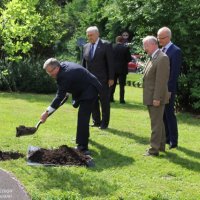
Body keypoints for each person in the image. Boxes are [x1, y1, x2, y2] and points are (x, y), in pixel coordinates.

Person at [40, 58, 102, 155]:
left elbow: (59, 96)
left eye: (50, 72)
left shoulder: (64, 75)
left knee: (83, 117)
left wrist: (47, 112)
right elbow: (70, 83)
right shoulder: (62, 66)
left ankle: (82, 147)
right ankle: (83, 137)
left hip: (90, 89)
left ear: (56, 68)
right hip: (84, 87)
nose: (49, 75)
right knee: (83, 117)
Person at [82, 26, 114, 129]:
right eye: (88, 35)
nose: (89, 37)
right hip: (89, 80)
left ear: (97, 34)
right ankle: (96, 121)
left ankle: (104, 123)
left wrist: (111, 78)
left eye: (91, 35)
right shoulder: (85, 46)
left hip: (103, 79)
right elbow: (83, 64)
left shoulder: (106, 45)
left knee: (104, 102)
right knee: (92, 101)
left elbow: (111, 63)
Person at [142, 36, 170, 156]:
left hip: (156, 97)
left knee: (156, 124)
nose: (144, 48)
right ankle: (161, 146)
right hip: (151, 96)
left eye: (145, 46)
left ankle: (153, 150)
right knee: (159, 122)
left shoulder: (162, 58)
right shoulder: (153, 57)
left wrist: (157, 98)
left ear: (153, 44)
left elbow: (161, 81)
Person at [157, 27, 182, 149]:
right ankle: (166, 138)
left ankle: (173, 141)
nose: (159, 40)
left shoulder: (175, 51)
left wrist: (169, 91)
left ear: (168, 37)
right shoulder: (161, 50)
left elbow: (174, 74)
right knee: (162, 115)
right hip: (160, 88)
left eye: (161, 38)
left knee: (169, 114)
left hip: (168, 89)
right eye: (158, 37)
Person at [110, 36, 132, 104]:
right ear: (122, 41)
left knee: (112, 84)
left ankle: (110, 98)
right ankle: (121, 100)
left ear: (116, 40)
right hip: (122, 69)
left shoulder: (111, 47)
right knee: (122, 85)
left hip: (113, 69)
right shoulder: (125, 48)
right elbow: (129, 59)